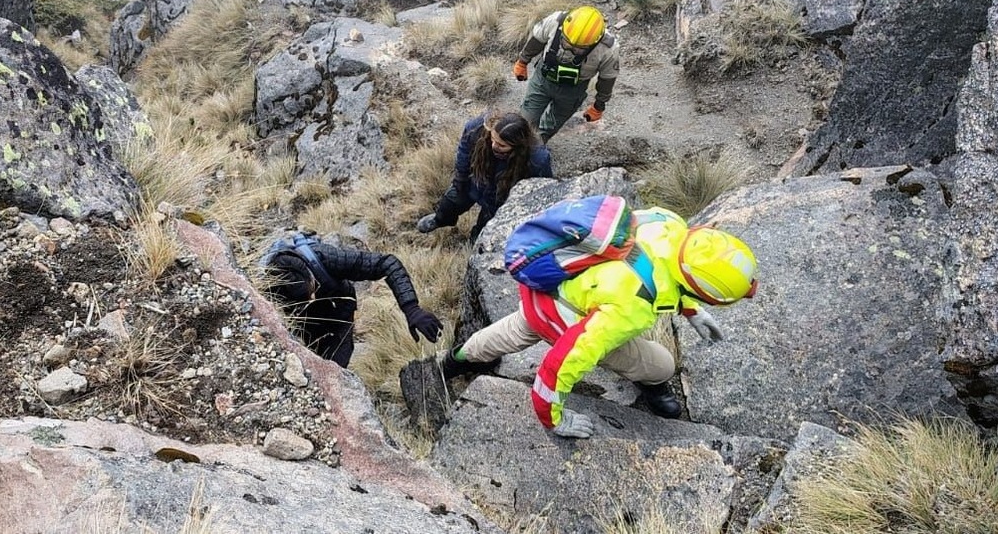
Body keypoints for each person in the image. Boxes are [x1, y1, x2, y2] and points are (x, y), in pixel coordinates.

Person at [442, 206, 758, 438]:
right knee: (661, 365)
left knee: (513, 331)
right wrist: (553, 418)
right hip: (565, 320)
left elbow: (661, 267)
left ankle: (456, 360)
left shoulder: (668, 222)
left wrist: (689, 310)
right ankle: (651, 387)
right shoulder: (632, 306)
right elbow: (566, 359)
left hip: (543, 289)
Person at [262, 238, 443, 368]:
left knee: (336, 368)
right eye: (305, 297)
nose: (312, 297)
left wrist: (411, 309)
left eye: (313, 289)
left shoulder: (328, 258)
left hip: (339, 311)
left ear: (311, 272)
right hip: (303, 322)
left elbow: (388, 263)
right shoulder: (264, 288)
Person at [416, 111, 553, 240]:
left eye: (502, 145)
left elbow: (541, 189)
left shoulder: (537, 159)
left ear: (518, 146)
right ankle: (440, 220)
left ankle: (475, 243)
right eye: (492, 139)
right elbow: (464, 151)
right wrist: (460, 178)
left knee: (485, 230)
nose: (494, 145)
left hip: (499, 198)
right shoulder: (477, 128)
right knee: (448, 205)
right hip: (472, 181)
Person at [513, 5, 621, 143]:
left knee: (552, 125)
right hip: (543, 80)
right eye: (566, 43)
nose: (570, 50)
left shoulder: (608, 49)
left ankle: (537, 148)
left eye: (578, 49)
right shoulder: (555, 21)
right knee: (526, 121)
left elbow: (607, 79)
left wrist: (599, 106)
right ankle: (520, 145)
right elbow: (537, 40)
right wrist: (522, 61)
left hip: (573, 90)